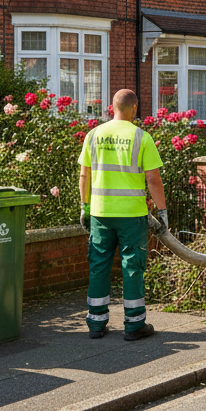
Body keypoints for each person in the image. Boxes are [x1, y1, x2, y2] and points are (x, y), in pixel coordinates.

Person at [79, 89, 168, 341]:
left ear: (112, 107)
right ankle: (134, 324)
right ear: (135, 108)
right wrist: (162, 212)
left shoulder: (93, 135)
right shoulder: (142, 137)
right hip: (131, 215)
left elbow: (84, 175)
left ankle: (96, 324)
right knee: (131, 267)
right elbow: (153, 179)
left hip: (100, 213)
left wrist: (85, 207)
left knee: (98, 265)